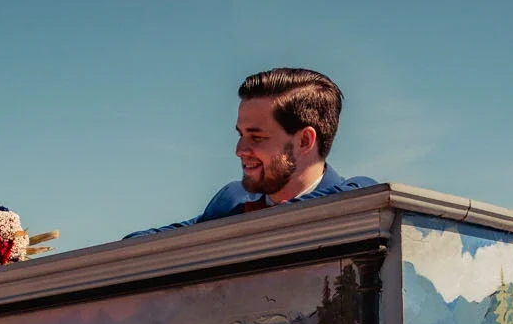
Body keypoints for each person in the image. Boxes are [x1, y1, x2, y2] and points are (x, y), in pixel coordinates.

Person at [131, 67, 377, 234]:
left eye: (257, 137)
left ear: (304, 141)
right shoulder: (232, 202)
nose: (240, 150)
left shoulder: (359, 200)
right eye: (241, 135)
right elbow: (154, 245)